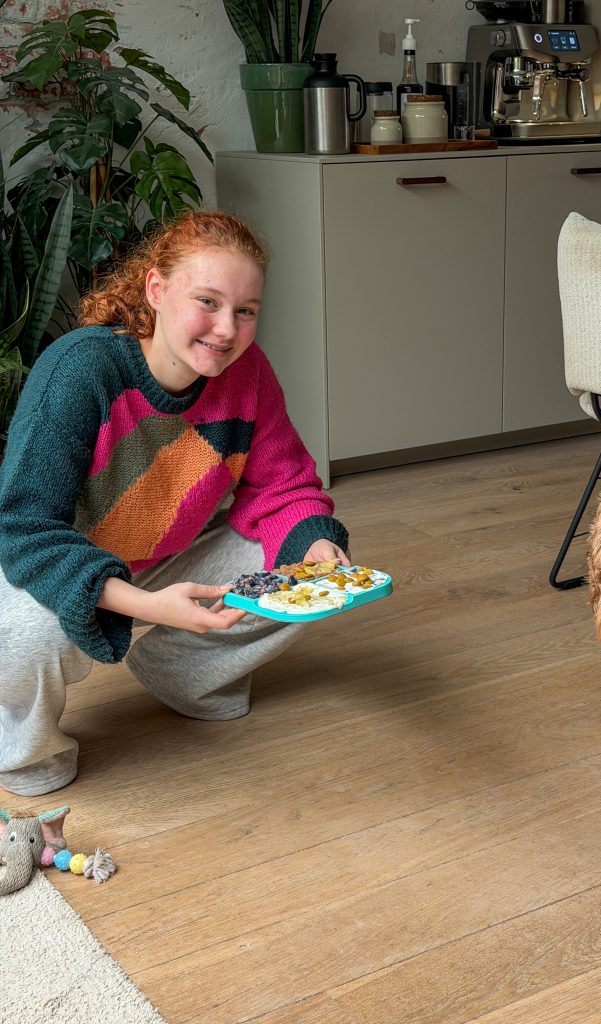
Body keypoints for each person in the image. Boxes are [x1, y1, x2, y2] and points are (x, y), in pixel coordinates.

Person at [0, 210, 350, 797]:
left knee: (301, 576)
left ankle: (182, 673)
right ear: (156, 290)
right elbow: (23, 528)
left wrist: (317, 547)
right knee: (32, 630)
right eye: (207, 301)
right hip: (51, 560)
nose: (226, 329)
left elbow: (284, 487)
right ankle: (21, 746)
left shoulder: (249, 375)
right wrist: (148, 604)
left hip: (161, 556)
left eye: (245, 311)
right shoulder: (80, 369)